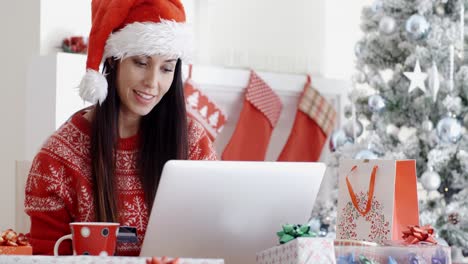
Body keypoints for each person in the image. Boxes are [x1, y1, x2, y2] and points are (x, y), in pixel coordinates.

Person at [24, 0, 217, 256]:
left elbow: (215, 236)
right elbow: (45, 257)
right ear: (114, 61)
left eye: (166, 68)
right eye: (140, 62)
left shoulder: (193, 143)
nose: (153, 82)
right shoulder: (57, 161)